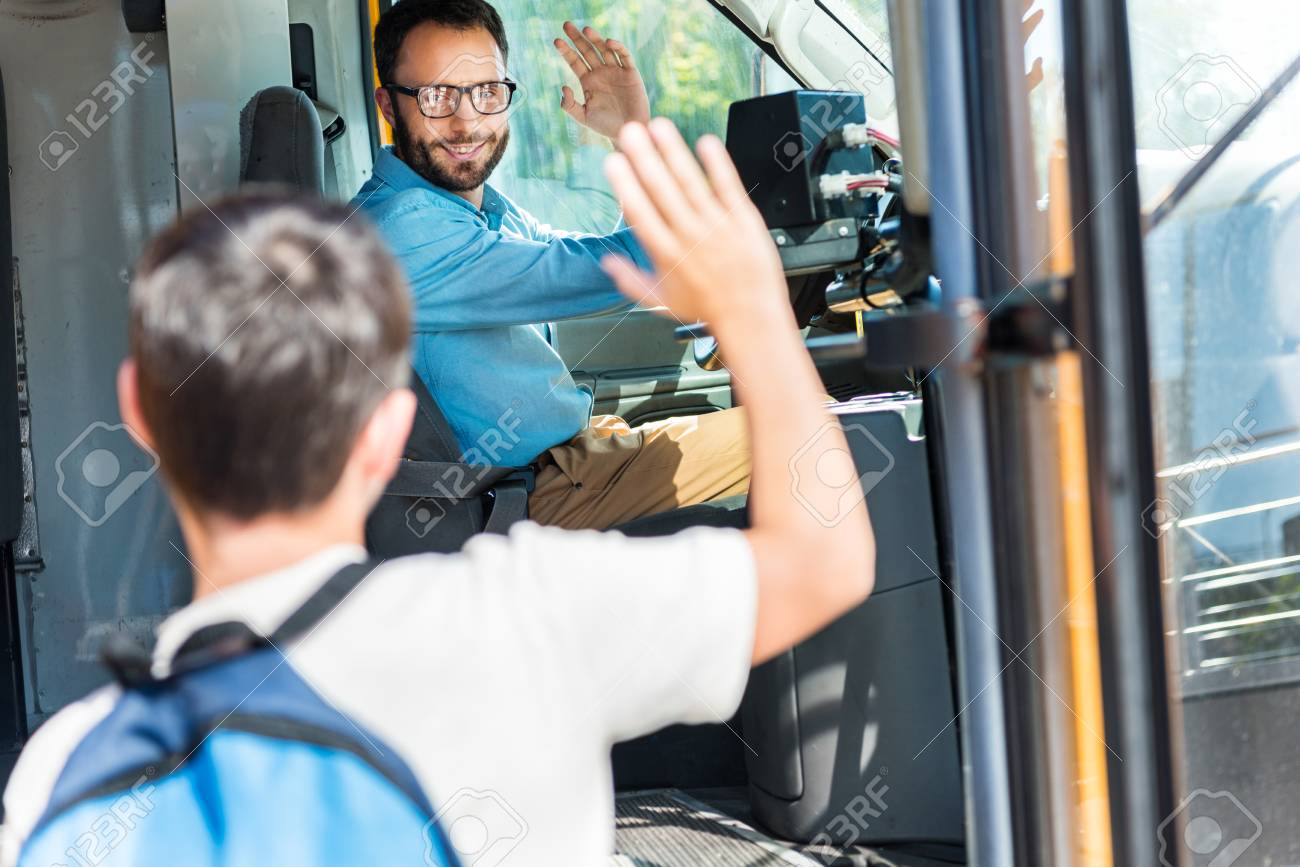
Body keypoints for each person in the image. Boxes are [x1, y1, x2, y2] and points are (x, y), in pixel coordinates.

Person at [0, 120, 874, 866]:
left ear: (139, 416)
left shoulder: (63, 771)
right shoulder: (527, 613)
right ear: (388, 433)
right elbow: (823, 559)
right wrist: (755, 311)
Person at [353, 0, 752, 531]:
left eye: (486, 92)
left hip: (573, 458)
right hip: (526, 496)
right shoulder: (403, 230)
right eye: (437, 96)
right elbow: (610, 269)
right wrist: (748, 225)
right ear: (388, 105)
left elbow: (613, 260)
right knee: (818, 434)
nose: (467, 122)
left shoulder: (478, 210)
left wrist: (627, 134)